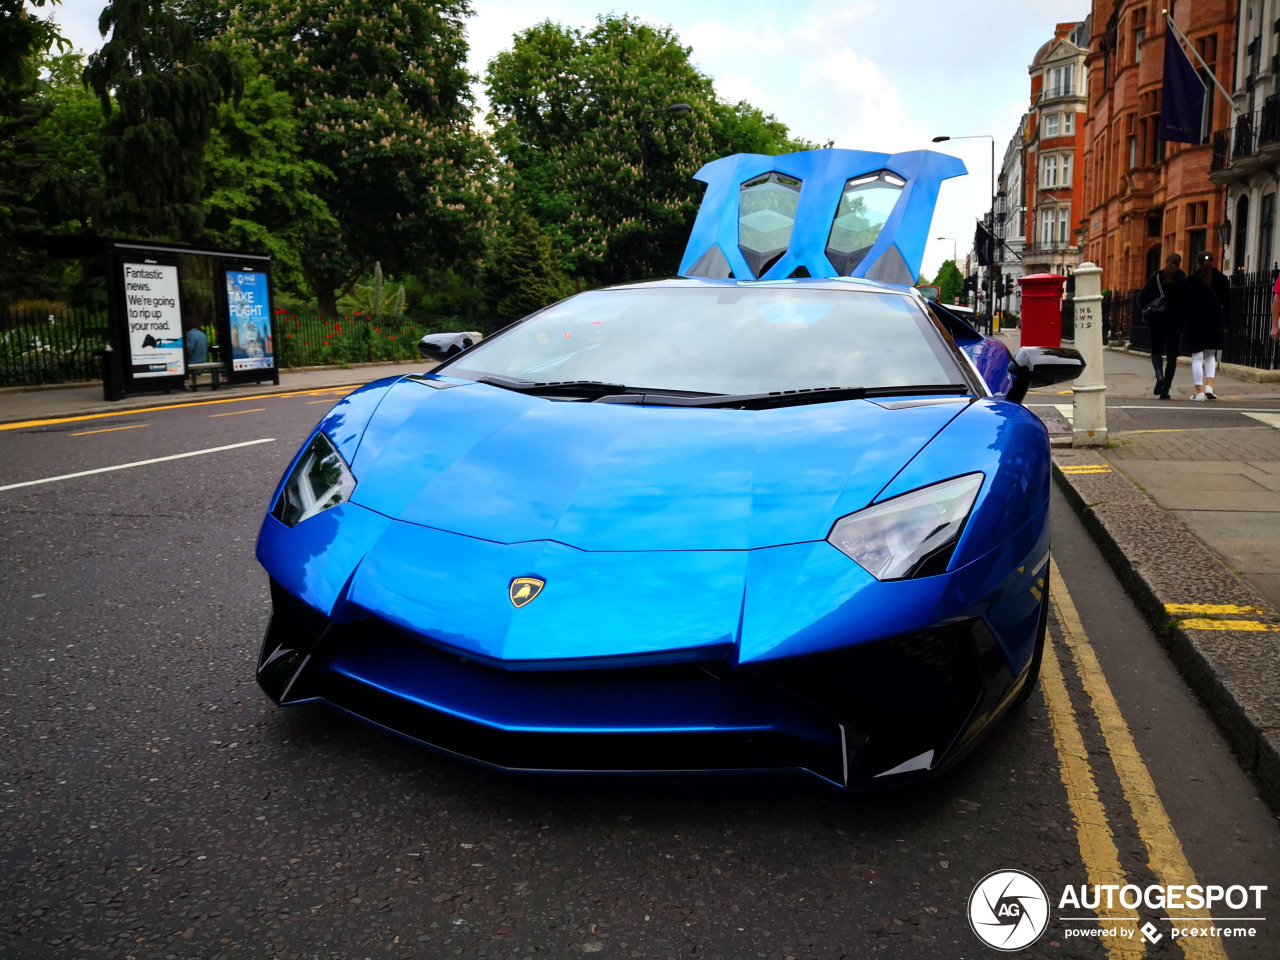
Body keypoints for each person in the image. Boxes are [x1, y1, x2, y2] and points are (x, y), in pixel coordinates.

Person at [1136, 253, 1185, 400]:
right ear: (1179, 264)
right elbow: (1188, 303)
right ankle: (1165, 391)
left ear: (1165, 262)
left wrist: (1149, 307)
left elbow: (1141, 298)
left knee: (1156, 351)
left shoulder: (1156, 277)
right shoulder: (1183, 280)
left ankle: (1159, 374)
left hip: (1156, 320)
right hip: (1175, 323)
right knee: (1172, 356)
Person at [1183, 250, 1231, 401]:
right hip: (1215, 322)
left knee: (1197, 357)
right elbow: (1228, 304)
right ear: (1213, 261)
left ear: (1198, 262)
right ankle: (1209, 387)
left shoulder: (1191, 280)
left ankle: (1199, 393)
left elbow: (1185, 304)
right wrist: (1227, 323)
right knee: (1211, 355)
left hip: (1196, 322)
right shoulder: (1222, 279)